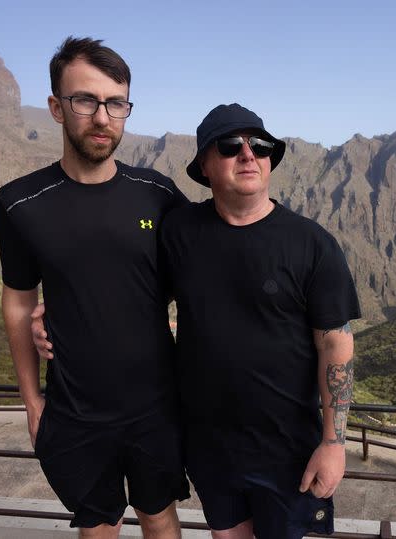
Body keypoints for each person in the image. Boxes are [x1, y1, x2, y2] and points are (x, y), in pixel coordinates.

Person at [0, 36, 189, 538]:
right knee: (98, 526)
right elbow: (17, 301)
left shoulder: (159, 194)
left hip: (157, 405)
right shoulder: (20, 203)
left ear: (126, 108)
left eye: (115, 102)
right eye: (86, 100)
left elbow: (195, 277)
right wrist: (32, 401)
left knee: (160, 518)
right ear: (58, 107)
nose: (102, 117)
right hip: (75, 411)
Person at [159, 103, 360, 539]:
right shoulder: (179, 234)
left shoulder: (312, 245)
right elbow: (138, 296)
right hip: (209, 448)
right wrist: (53, 314)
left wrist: (333, 444)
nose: (248, 155)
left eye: (260, 145)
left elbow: (336, 346)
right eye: (231, 146)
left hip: (289, 452)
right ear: (205, 167)